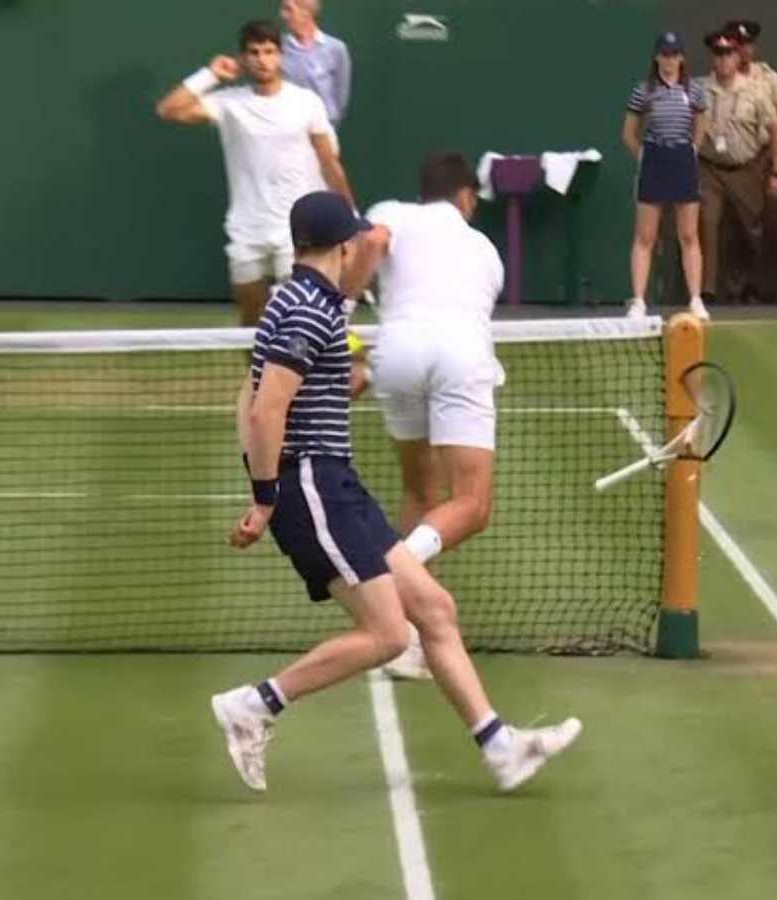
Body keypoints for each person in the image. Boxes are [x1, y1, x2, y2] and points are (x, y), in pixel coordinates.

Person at [215, 189, 581, 794]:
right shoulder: (307, 307)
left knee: (434, 609)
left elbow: (249, 395)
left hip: (336, 483)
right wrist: (264, 496)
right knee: (388, 635)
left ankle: (501, 749)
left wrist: (339, 386)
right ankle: (254, 705)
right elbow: (264, 409)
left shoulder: (308, 302)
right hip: (312, 485)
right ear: (342, 245)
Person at [338, 153, 505, 678]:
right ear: (467, 198)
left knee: (420, 490)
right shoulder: (485, 249)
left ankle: (404, 639)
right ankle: (395, 567)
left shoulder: (391, 211)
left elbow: (372, 243)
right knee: (471, 506)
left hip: (396, 355)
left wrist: (336, 311)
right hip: (459, 354)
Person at [156, 20, 355, 326]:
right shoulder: (230, 103)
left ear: (281, 56)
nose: (263, 59)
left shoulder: (306, 103)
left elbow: (329, 162)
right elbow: (168, 110)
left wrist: (349, 213)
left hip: (297, 229)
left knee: (299, 320)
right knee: (250, 321)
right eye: (254, 52)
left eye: (269, 51)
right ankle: (257, 374)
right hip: (246, 229)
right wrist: (211, 74)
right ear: (244, 58)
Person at [622, 31, 709, 321]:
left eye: (674, 54)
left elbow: (701, 125)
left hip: (682, 160)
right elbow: (629, 134)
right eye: (664, 54)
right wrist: (644, 157)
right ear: (657, 56)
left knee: (688, 235)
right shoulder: (643, 90)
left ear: (681, 57)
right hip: (655, 160)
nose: (669, 60)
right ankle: (638, 301)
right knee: (646, 236)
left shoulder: (694, 90)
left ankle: (696, 299)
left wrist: (693, 150)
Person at [695, 30, 777, 308]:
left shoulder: (755, 90)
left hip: (746, 168)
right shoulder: (699, 89)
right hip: (710, 168)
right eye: (718, 55)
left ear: (738, 57)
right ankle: (705, 291)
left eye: (729, 54)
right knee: (707, 224)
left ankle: (747, 288)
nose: (724, 61)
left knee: (749, 230)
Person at [723, 18, 777, 303]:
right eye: (738, 45)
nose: (743, 50)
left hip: (764, 157)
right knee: (734, 226)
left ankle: (766, 291)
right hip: (735, 160)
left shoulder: (769, 78)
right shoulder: (722, 77)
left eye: (747, 44)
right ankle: (736, 289)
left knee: (768, 226)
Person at [279, 0, 352, 129]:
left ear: (306, 13)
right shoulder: (277, 47)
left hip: (324, 128)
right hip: (286, 126)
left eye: (288, 9)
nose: (282, 15)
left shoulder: (336, 49)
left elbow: (341, 96)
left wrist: (329, 121)